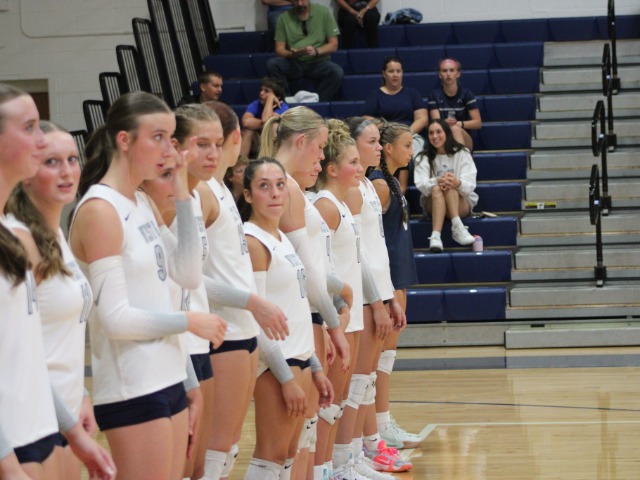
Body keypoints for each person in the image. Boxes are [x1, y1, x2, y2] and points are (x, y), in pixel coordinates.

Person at [69, 91, 227, 479]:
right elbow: (116, 319)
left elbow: (187, 275)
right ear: (125, 140)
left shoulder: (142, 203)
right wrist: (188, 322)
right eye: (157, 137)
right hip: (132, 386)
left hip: (169, 376)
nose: (169, 150)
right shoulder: (100, 210)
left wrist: (183, 192)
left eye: (171, 138)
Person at [0, 83, 116, 480]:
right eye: (29, 128)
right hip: (18, 433)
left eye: (71, 159)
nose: (39, 140)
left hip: (47, 422)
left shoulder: (37, 236)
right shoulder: (22, 240)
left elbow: (34, 347)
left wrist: (76, 411)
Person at [197, 100, 289, 480]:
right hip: (224, 331)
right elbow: (189, 278)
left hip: (243, 330)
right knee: (215, 449)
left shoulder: (221, 187)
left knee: (228, 447)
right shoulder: (203, 192)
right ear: (237, 136)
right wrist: (252, 301)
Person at [259, 106, 353, 480]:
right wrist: (334, 323)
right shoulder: (284, 187)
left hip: (304, 313)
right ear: (301, 141)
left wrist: (335, 300)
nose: (321, 156)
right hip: (295, 318)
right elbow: (306, 270)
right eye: (319, 147)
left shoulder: (289, 186)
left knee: (303, 434)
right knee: (287, 443)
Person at [344, 116, 413, 475]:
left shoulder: (370, 187)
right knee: (356, 383)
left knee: (365, 380)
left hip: (379, 289)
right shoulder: (360, 189)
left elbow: (376, 247)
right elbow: (359, 253)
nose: (377, 148)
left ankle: (366, 448)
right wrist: (379, 299)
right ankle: (349, 456)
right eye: (371, 142)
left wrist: (387, 296)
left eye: (376, 141)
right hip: (362, 297)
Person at [368, 122, 423, 451]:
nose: (411, 152)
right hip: (386, 279)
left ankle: (382, 423)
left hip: (397, 274)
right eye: (406, 145)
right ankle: (379, 426)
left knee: (386, 358)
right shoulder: (378, 185)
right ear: (388, 148)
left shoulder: (390, 181)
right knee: (378, 361)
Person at [362, 57, 428, 193]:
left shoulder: (412, 94)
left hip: (411, 135)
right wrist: (387, 129)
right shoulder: (376, 95)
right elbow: (367, 118)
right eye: (391, 71)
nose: (395, 74)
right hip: (385, 136)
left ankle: (408, 189)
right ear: (384, 73)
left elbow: (422, 118)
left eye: (398, 71)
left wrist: (404, 134)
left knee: (410, 151)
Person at [414, 118, 478, 253]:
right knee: (437, 189)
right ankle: (436, 237)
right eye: (431, 133)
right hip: (434, 203)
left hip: (460, 202)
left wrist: (456, 182)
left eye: (439, 132)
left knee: (451, 187)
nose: (435, 136)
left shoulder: (462, 153)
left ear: (447, 133)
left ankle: (455, 228)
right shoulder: (422, 157)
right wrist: (437, 180)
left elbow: (470, 185)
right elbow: (421, 185)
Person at [267, 0, 344, 102]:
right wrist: (292, 54)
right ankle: (286, 101)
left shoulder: (324, 13)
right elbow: (279, 48)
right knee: (273, 65)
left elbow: (333, 45)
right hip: (294, 62)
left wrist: (316, 51)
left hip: (318, 61)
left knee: (337, 72)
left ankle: (317, 102)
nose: (300, 3)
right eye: (297, 0)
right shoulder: (283, 18)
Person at [428, 58, 482, 151]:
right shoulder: (434, 95)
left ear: (458, 73)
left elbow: (477, 123)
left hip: (464, 137)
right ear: (440, 74)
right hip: (443, 136)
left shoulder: (466, 94)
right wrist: (445, 123)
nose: (448, 74)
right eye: (444, 71)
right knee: (438, 130)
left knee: (454, 129)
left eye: (452, 70)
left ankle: (461, 159)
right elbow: (436, 122)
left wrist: (458, 124)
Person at [240, 77, 289, 159]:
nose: (261, 93)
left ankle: (272, 161)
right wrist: (263, 123)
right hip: (257, 143)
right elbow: (246, 122)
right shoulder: (256, 104)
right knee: (248, 131)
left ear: (277, 97)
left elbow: (266, 120)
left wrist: (270, 99)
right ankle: (241, 163)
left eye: (266, 91)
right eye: (261, 90)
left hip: (276, 145)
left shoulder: (283, 107)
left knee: (274, 126)